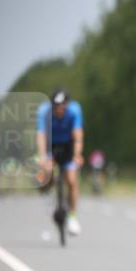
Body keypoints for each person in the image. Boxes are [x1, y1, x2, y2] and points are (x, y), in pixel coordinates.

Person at [36, 89, 84, 235]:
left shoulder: (74, 111)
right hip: (52, 145)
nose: (59, 109)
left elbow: (78, 136)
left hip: (68, 146)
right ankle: (47, 194)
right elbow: (41, 135)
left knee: (71, 179)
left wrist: (77, 155)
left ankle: (73, 217)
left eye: (62, 106)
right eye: (56, 106)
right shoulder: (44, 112)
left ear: (67, 104)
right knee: (47, 172)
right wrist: (43, 157)